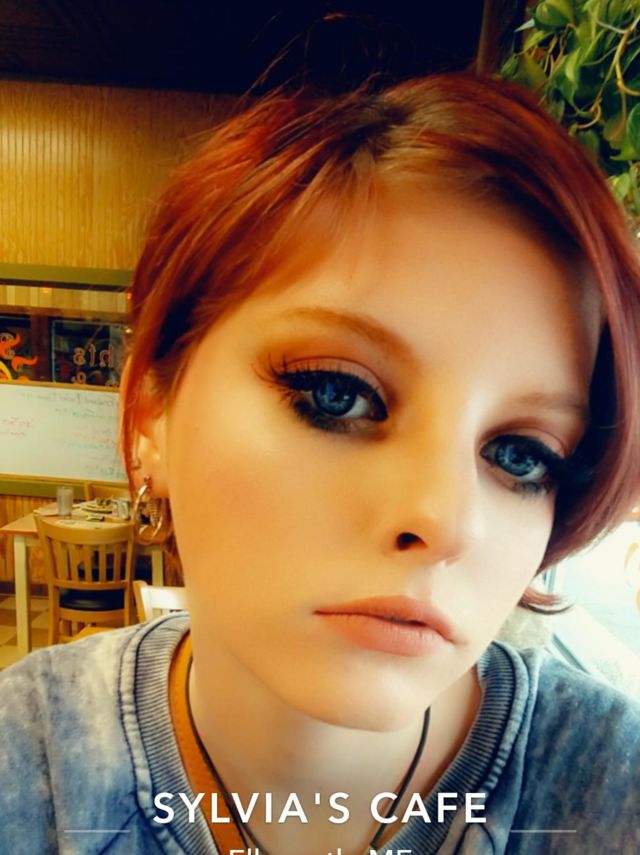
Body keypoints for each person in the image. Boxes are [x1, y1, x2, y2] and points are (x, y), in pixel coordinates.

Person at [1, 72, 639, 855]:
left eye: (520, 455)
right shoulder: (27, 770)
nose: (446, 521)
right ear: (149, 414)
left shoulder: (611, 793)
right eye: (338, 394)